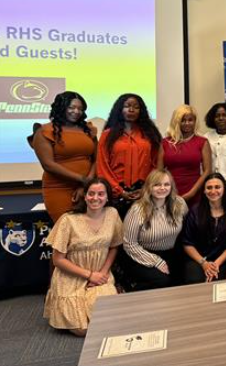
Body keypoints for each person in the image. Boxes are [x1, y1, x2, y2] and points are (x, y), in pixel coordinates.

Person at [43, 178, 122, 336]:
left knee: (105, 322)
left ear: (107, 197)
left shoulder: (112, 214)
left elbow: (114, 246)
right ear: (84, 196)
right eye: (91, 194)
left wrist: (103, 273)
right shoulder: (68, 220)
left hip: (100, 274)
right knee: (82, 330)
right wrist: (89, 275)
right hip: (71, 277)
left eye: (101, 194)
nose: (95, 198)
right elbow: (57, 260)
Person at [32, 91, 97, 222]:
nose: (76, 111)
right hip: (59, 189)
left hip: (88, 188)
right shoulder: (44, 131)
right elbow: (48, 165)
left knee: (91, 232)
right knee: (68, 233)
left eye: (80, 108)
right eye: (71, 107)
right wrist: (82, 180)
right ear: (61, 108)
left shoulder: (88, 130)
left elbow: (97, 159)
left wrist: (86, 184)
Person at [122, 169, 188, 290]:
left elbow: (186, 229)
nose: (162, 188)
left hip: (171, 253)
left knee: (183, 280)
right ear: (149, 187)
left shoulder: (180, 203)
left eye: (166, 184)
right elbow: (129, 244)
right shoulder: (137, 210)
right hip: (142, 255)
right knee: (162, 280)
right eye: (157, 184)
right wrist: (155, 261)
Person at [97, 93, 161, 217]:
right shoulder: (108, 135)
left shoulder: (149, 135)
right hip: (115, 193)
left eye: (136, 107)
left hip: (144, 192)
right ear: (120, 109)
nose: (131, 110)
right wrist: (119, 190)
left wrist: (147, 188)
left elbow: (156, 164)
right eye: (127, 106)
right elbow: (102, 166)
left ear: (141, 111)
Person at [182, 173, 226, 283]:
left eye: (217, 187)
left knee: (216, 280)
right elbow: (187, 243)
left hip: (221, 260)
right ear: (204, 191)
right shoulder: (194, 212)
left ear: (224, 189)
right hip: (197, 259)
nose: (213, 191)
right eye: (209, 188)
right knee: (195, 280)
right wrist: (204, 263)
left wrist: (216, 264)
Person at [158, 105, 211, 207]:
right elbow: (159, 172)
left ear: (195, 122)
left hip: (195, 192)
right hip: (169, 192)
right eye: (183, 120)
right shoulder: (165, 142)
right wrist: (165, 191)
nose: (187, 123)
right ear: (177, 121)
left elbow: (207, 171)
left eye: (190, 120)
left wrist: (192, 193)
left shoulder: (202, 142)